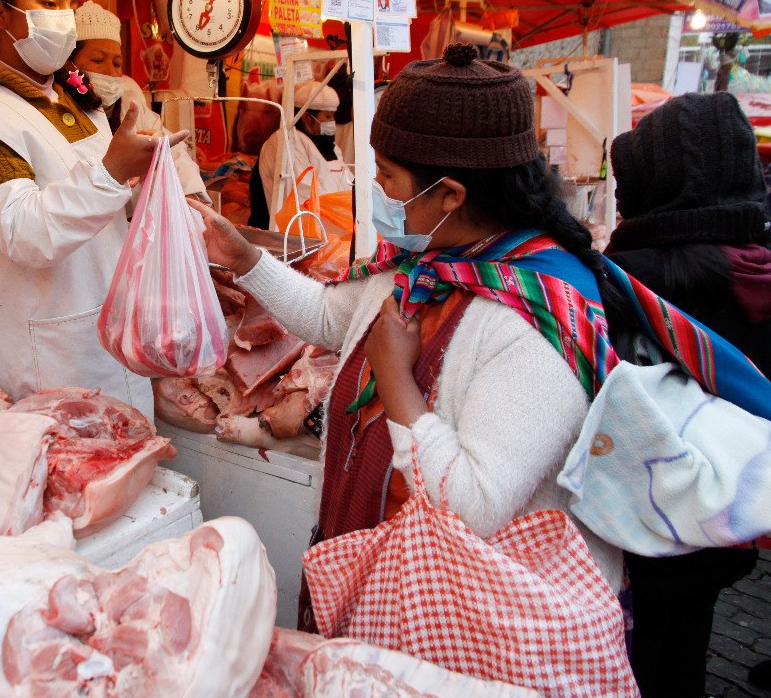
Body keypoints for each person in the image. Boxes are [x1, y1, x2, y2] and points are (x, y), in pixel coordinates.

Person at [191, 43, 631, 623]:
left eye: (390, 178)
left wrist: (395, 378)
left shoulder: (536, 320)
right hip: (378, 576)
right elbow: (327, 318)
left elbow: (472, 507)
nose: (380, 195)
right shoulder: (423, 265)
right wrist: (247, 259)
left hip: (463, 620)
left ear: (451, 194)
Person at [0, 0, 185, 418]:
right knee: (71, 481)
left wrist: (148, 181)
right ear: (0, 16)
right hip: (42, 352)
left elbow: (100, 206)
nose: (65, 17)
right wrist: (113, 171)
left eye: (69, 4)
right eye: (48, 3)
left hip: (106, 332)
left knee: (135, 473)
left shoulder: (73, 102)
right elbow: (23, 233)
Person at [605, 91, 771, 698]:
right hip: (721, 517)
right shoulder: (755, 268)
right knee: (684, 654)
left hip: (643, 517)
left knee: (630, 664)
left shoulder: (638, 278)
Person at [69, 1, 209, 203]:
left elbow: (172, 151)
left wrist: (191, 196)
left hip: (131, 225)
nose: (111, 72)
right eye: (98, 60)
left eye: (117, 63)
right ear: (69, 63)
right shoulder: (59, 105)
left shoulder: (129, 99)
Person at [248, 80, 349, 231]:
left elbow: (345, 184)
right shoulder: (287, 142)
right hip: (287, 238)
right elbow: (305, 197)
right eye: (328, 117)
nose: (333, 122)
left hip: (327, 232)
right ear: (307, 118)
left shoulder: (330, 147)